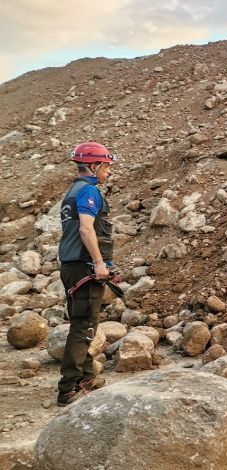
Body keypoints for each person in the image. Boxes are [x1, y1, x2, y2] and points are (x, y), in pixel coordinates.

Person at [56, 142, 116, 406]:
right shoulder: (89, 191)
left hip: (71, 266)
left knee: (84, 323)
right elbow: (86, 229)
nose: (109, 172)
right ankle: (68, 388)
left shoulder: (72, 190)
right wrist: (99, 262)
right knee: (83, 327)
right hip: (84, 267)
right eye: (106, 167)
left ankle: (87, 377)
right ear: (94, 166)